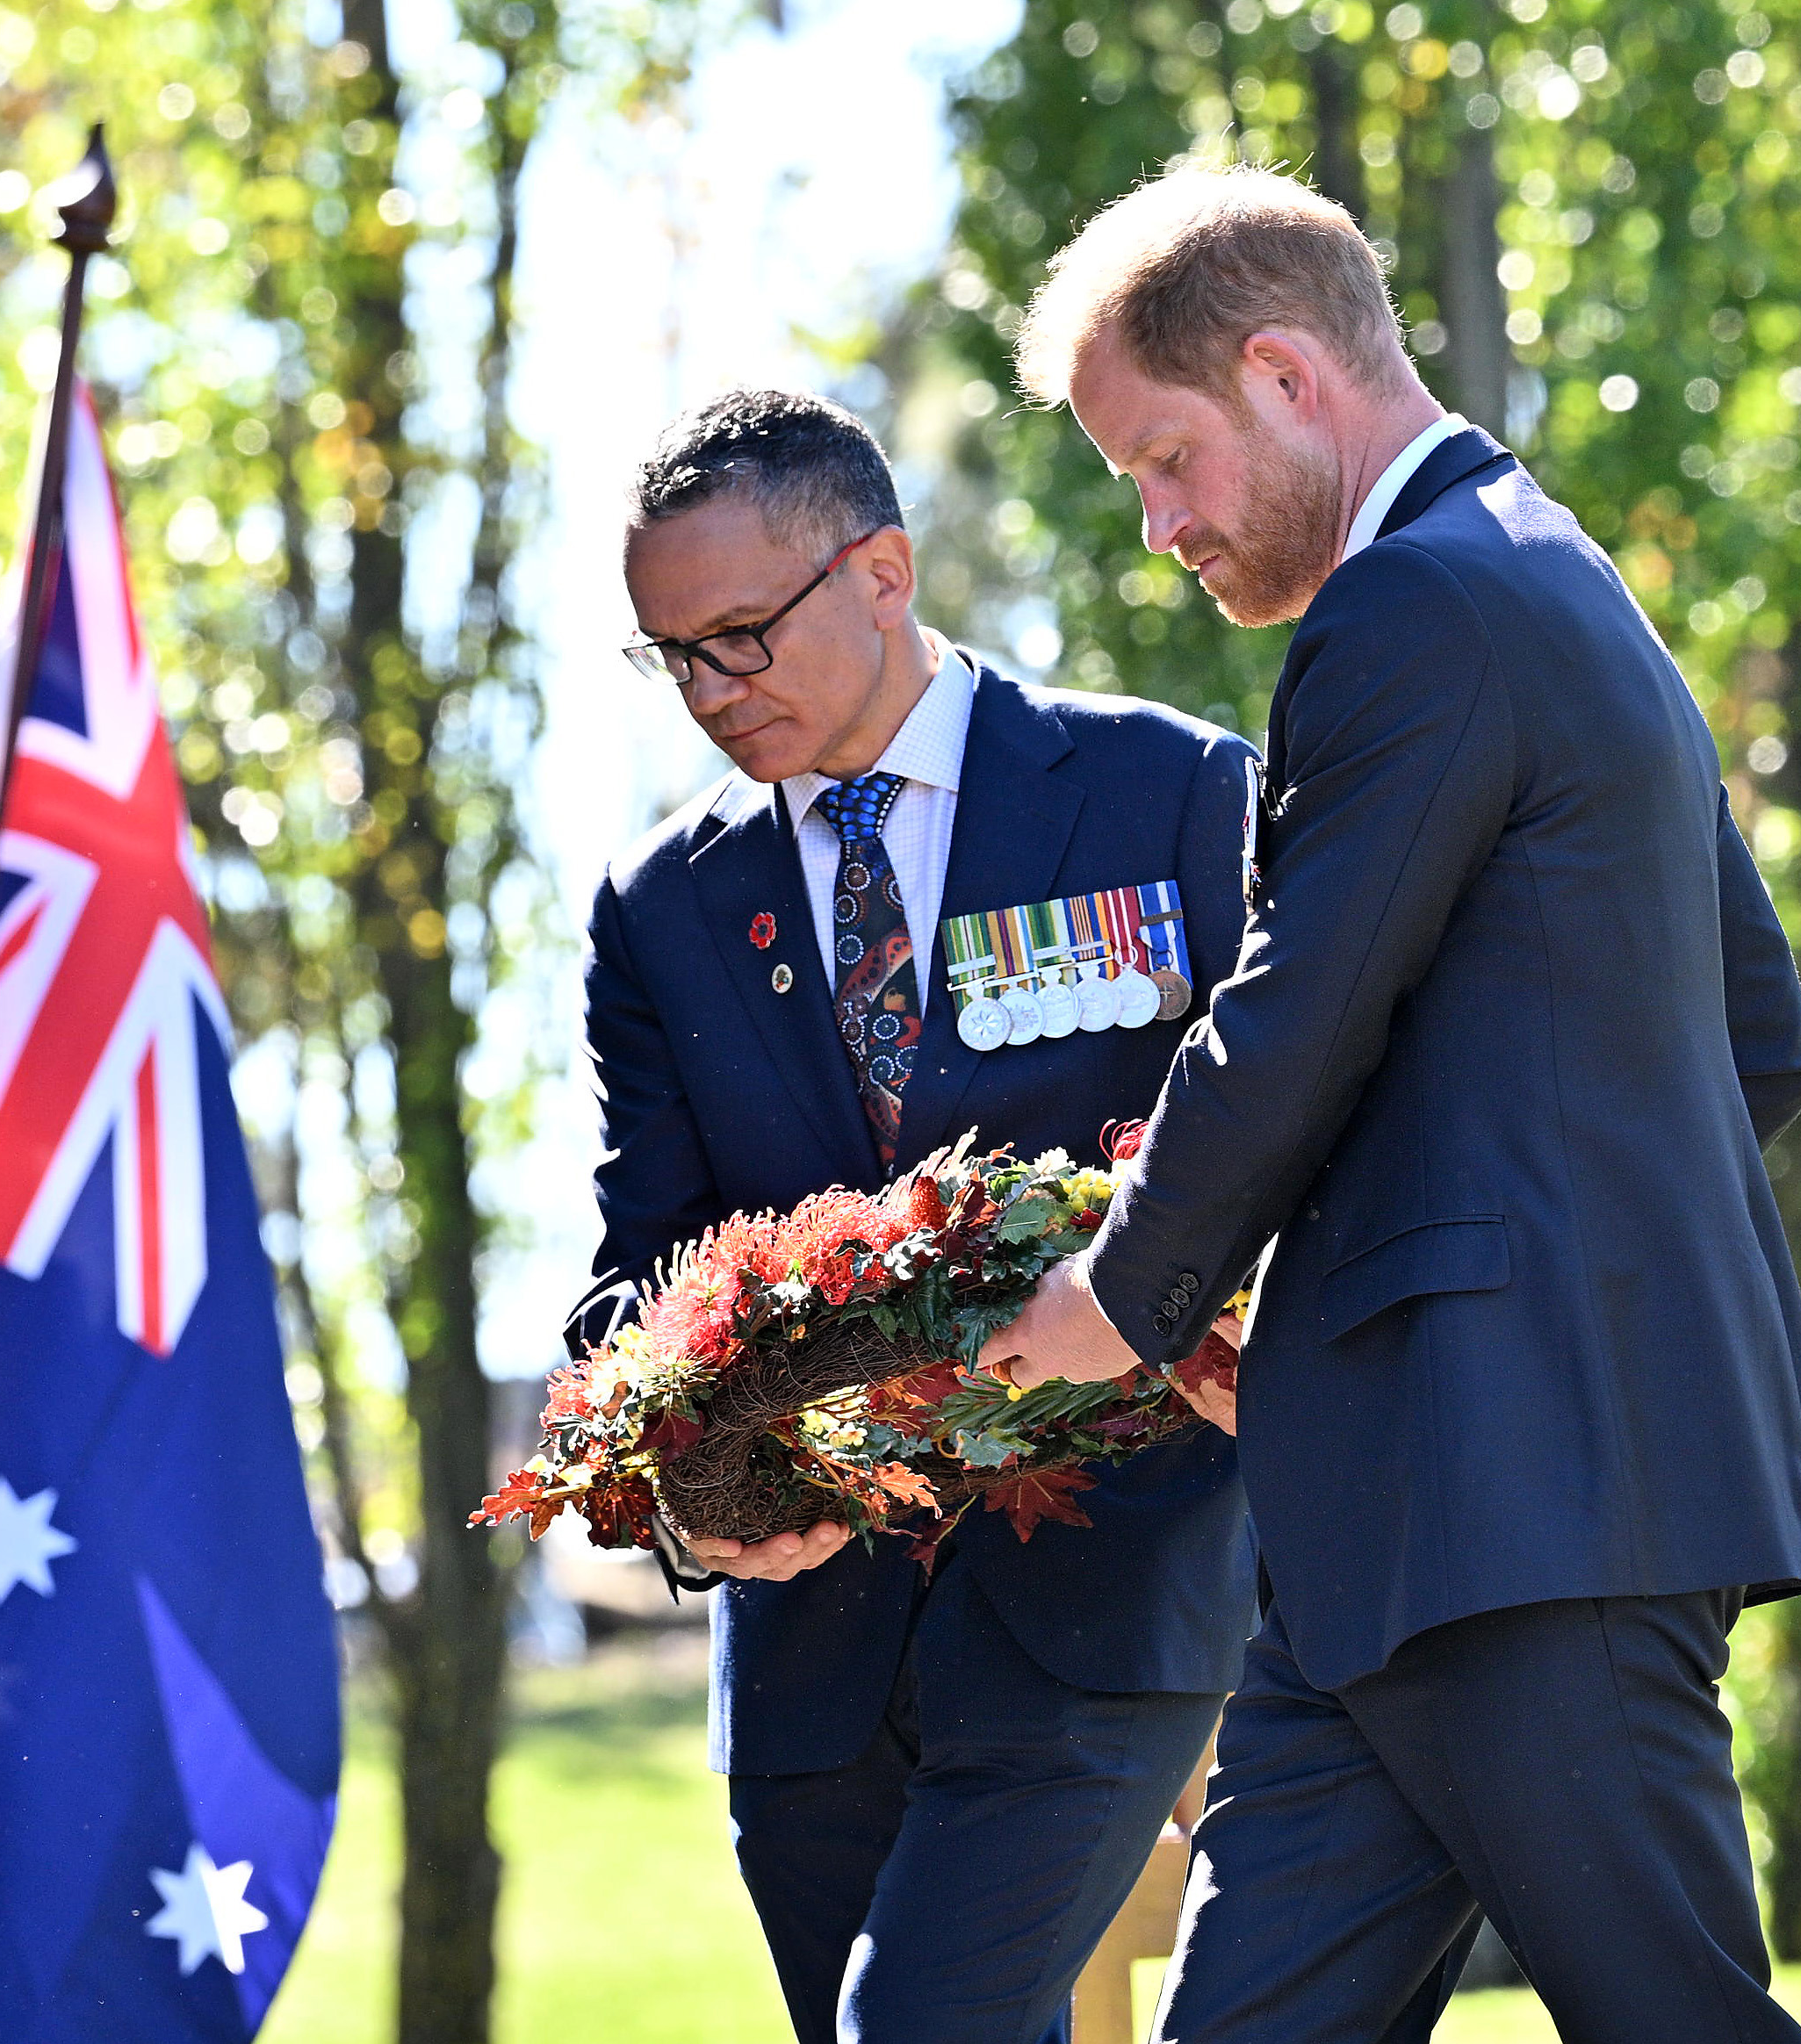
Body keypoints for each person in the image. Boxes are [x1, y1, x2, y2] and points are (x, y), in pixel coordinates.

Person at [986, 164, 1801, 2041]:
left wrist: (1128, 1296)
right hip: (1410, 1521)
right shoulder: (1557, 579)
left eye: (1163, 462)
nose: (1157, 527)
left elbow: (1293, 1018)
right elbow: (1755, 1040)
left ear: (1287, 377)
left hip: (1532, 1508)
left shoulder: (1419, 609)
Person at [572, 388, 1258, 2044]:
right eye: (670, 657)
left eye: (741, 636)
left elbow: (1287, 1155)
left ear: (880, 569)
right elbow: (638, 1277)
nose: (709, 694)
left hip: (1103, 1591)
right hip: (813, 1661)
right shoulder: (665, 908)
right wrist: (679, 1490)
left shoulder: (1164, 794)